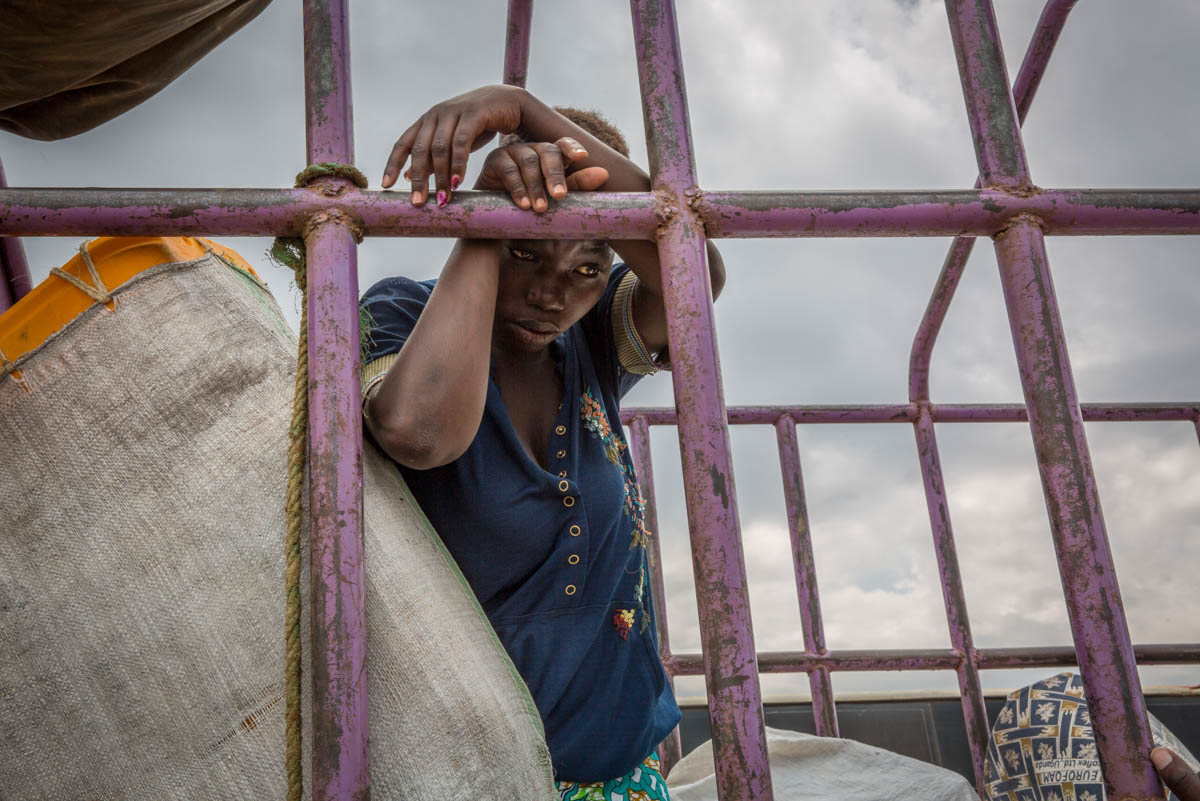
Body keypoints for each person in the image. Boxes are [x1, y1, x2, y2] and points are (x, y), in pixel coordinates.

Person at [359, 85, 725, 799]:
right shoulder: (402, 310)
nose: (552, 296)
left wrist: (519, 108)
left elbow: (692, 278)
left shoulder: (595, 340)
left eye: (586, 269)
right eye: (526, 253)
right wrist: (483, 226)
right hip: (460, 771)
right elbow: (418, 433)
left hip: (617, 766)